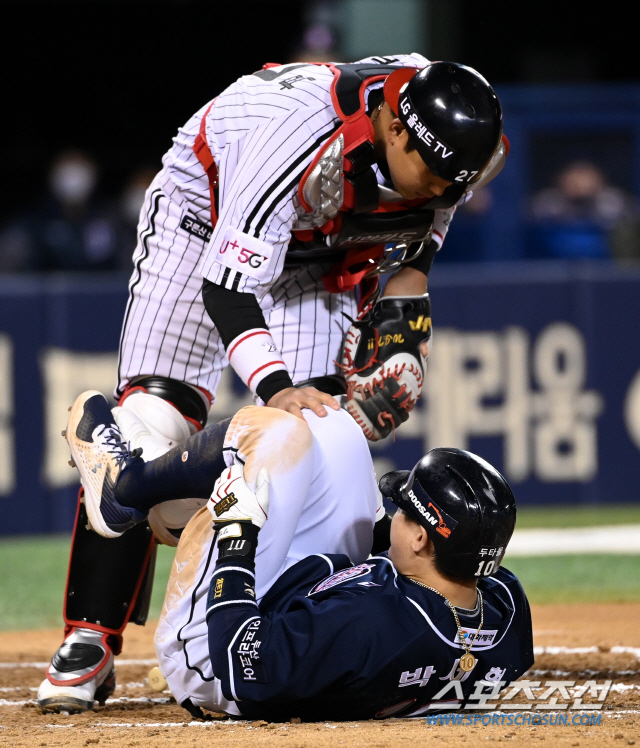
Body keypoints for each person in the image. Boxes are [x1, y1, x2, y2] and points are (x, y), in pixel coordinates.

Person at [38, 53, 509, 711]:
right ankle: (88, 640)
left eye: (451, 183)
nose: (438, 191)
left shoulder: (452, 146)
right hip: (205, 216)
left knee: (322, 438)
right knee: (159, 416)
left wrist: (404, 341)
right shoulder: (293, 131)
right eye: (429, 175)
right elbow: (229, 289)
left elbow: (413, 255)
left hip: (326, 245)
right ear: (396, 131)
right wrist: (276, 384)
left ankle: (286, 604)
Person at [39, 390, 533, 719]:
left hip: (212, 652)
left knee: (272, 435)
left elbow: (239, 662)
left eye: (404, 511)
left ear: (423, 540)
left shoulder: (366, 626)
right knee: (332, 425)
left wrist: (236, 534)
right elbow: (434, 556)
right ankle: (169, 504)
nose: (392, 513)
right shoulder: (503, 604)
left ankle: (128, 488)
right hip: (309, 614)